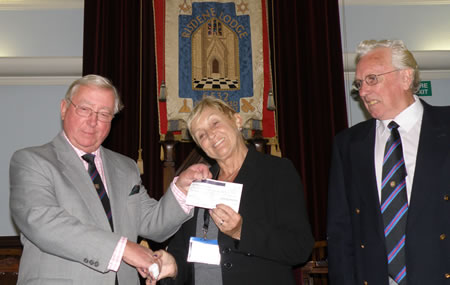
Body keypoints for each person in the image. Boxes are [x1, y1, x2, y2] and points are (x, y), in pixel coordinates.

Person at [9, 74, 211, 285]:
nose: (93, 121)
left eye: (104, 113)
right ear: (63, 108)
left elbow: (153, 224)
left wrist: (182, 189)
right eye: (85, 109)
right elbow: (43, 223)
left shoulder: (126, 167)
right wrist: (123, 248)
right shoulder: (31, 161)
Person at [327, 39, 450, 285]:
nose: (362, 92)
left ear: (406, 77)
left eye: (372, 79)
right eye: (359, 84)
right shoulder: (349, 144)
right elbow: (340, 231)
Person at [159, 97, 314, 285]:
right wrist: (172, 267)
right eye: (201, 135)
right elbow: (183, 252)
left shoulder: (277, 172)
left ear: (237, 120)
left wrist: (242, 231)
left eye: (215, 123)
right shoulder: (199, 185)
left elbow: (299, 247)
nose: (210, 135)